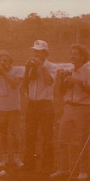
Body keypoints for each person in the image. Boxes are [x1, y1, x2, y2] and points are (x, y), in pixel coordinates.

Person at [51, 44, 90, 181]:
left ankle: (83, 170)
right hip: (68, 108)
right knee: (62, 139)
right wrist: (63, 82)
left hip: (82, 108)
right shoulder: (68, 71)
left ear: (82, 56)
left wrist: (78, 82)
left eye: (75, 54)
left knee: (82, 140)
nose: (72, 56)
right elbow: (61, 92)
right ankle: (64, 169)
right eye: (71, 53)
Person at [21, 39, 56, 173]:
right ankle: (29, 164)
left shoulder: (52, 66)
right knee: (30, 135)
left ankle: (47, 165)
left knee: (47, 136)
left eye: (39, 52)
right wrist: (27, 69)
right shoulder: (31, 66)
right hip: (32, 105)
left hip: (45, 105)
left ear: (45, 53)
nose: (35, 55)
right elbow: (24, 85)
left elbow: (49, 82)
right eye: (34, 51)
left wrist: (41, 66)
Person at [0, 50, 24, 169]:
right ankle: (5, 158)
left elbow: (14, 84)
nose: (3, 63)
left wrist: (3, 72)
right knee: (2, 134)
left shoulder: (18, 70)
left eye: (5, 61)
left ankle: (17, 158)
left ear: (11, 62)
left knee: (14, 133)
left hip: (13, 108)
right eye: (1, 61)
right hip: (1, 108)